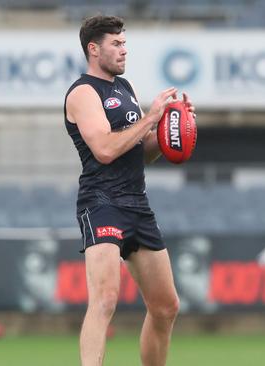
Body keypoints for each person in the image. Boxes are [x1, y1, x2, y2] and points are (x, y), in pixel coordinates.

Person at [64, 15, 195, 366]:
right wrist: (152, 117)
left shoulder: (126, 88)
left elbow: (140, 153)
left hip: (137, 202)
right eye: (116, 44)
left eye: (125, 43)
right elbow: (105, 150)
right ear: (94, 49)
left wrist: (170, 130)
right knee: (105, 299)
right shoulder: (82, 93)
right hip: (101, 202)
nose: (124, 50)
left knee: (166, 306)